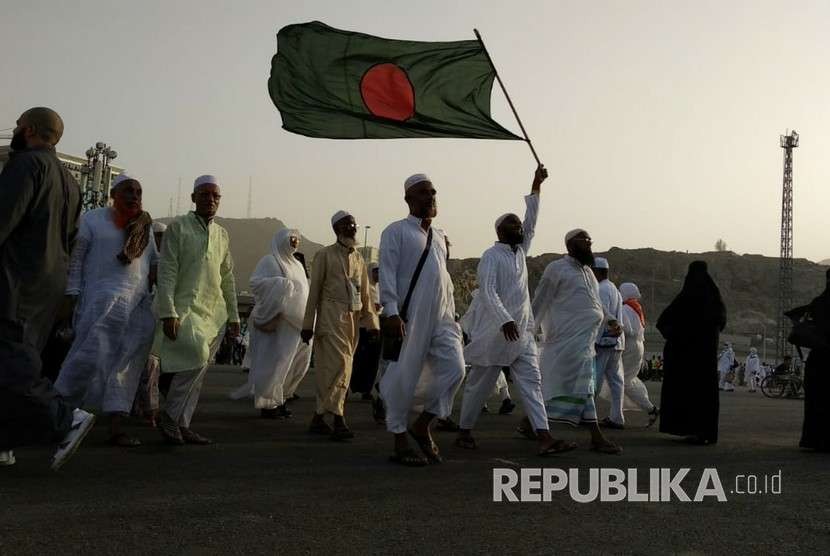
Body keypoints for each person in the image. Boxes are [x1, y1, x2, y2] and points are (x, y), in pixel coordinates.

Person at [0, 107, 95, 470]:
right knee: (18, 358)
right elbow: (70, 239)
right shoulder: (70, 182)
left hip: (16, 282)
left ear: (30, 131)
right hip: (47, 284)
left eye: (19, 128)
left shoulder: (26, 166)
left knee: (12, 364)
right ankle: (4, 442)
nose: (15, 134)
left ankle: (65, 417)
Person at [455, 167, 573, 455]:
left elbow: (532, 222)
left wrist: (536, 186)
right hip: (497, 333)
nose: (520, 228)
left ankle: (544, 436)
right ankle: (464, 431)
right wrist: (504, 319)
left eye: (519, 225)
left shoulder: (520, 252)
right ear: (500, 231)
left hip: (523, 335)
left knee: (532, 383)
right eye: (513, 226)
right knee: (479, 385)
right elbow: (488, 291)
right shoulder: (491, 256)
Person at [54, 173, 157, 447]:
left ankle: (115, 427)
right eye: (127, 190)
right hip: (99, 304)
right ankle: (59, 420)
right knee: (86, 361)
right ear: (113, 193)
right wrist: (71, 295)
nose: (134, 195)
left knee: (125, 368)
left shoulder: (144, 226)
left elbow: (154, 266)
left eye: (138, 191)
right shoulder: (93, 219)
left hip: (136, 307)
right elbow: (75, 261)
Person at [378, 174, 466, 466]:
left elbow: (444, 279)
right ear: (408, 199)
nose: (431, 197)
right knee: (404, 376)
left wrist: (453, 315)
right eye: (423, 193)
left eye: (433, 192)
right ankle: (400, 440)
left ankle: (423, 423)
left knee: (456, 368)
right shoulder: (396, 231)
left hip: (442, 315)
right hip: (410, 315)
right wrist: (390, 311)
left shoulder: (439, 236)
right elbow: (387, 272)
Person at [154, 175, 240, 445]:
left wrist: (235, 315)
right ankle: (170, 416)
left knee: (199, 372)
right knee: (197, 357)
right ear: (193, 198)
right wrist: (168, 311)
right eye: (204, 194)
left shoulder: (222, 234)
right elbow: (166, 271)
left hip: (214, 313)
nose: (210, 200)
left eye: (215, 196)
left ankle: (182, 424)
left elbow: (227, 277)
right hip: (185, 309)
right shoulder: (178, 228)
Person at [531, 229, 622, 454]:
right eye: (584, 241)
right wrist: (528, 328)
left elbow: (596, 305)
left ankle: (529, 422)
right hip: (564, 341)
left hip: (585, 342)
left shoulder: (589, 273)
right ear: (570, 245)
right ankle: (596, 437)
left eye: (590, 241)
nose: (589, 245)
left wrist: (610, 320)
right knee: (573, 387)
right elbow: (540, 299)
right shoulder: (556, 269)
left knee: (579, 387)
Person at [301, 211, 379, 440]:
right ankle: (338, 418)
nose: (352, 228)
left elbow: (365, 293)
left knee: (335, 370)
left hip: (352, 319)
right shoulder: (324, 255)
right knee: (341, 366)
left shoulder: (358, 259)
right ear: (336, 229)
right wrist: (308, 324)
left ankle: (318, 417)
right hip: (330, 315)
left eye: (354, 224)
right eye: (347, 225)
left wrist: (373, 324)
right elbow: (313, 292)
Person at [230, 229, 309, 419]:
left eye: (297, 240)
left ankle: (277, 400)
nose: (295, 242)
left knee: (287, 365)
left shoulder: (297, 264)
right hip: (274, 322)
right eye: (292, 239)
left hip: (294, 324)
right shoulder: (269, 261)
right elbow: (255, 283)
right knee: (272, 363)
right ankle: (267, 404)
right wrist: (281, 284)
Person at [657, 261, 726, 445]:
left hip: (685, 356)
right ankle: (705, 432)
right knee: (704, 393)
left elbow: (663, 321)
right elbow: (721, 322)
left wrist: (677, 337)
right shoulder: (714, 298)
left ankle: (690, 428)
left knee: (687, 391)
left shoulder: (686, 297)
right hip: (705, 357)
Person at [132, 220, 167, 427]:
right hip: (139, 317)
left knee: (152, 367)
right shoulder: (142, 258)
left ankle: (149, 410)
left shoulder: (166, 261)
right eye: (158, 237)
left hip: (156, 321)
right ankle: (143, 409)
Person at [793, 269, 830, 451]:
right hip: (823, 357)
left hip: (819, 359)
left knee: (817, 399)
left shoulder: (818, 303)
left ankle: (814, 439)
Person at [591, 257, 626, 429]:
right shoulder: (613, 289)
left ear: (597, 271)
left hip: (604, 342)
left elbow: (602, 316)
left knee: (595, 378)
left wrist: (595, 341)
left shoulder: (602, 289)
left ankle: (588, 414)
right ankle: (617, 416)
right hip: (616, 342)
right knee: (615, 381)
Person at [617, 282, 659, 425]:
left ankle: (650, 408)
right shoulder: (636, 307)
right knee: (624, 380)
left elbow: (628, 330)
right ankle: (617, 414)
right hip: (638, 346)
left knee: (622, 382)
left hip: (629, 346)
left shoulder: (625, 308)